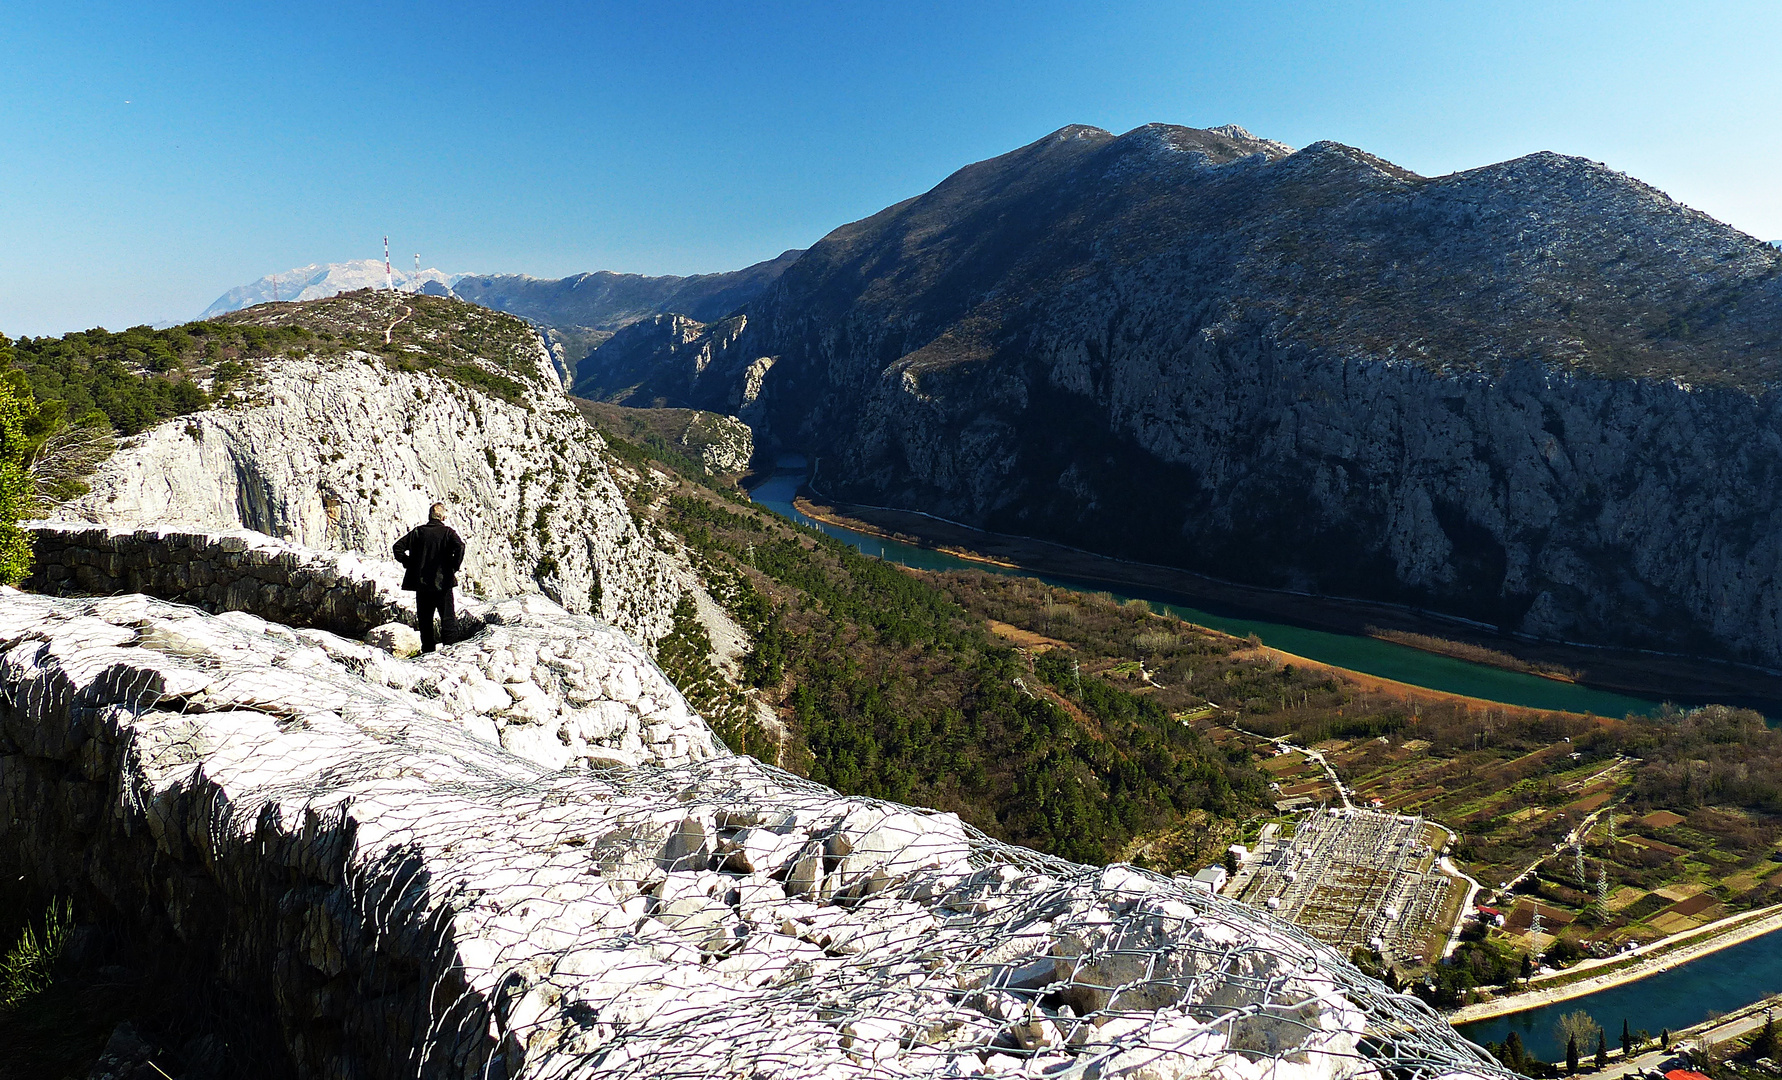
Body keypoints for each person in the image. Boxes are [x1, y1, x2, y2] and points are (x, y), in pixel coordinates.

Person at [393, 502, 465, 653]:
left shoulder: (418, 532)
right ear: (443, 517)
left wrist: (409, 563)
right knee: (447, 620)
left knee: (425, 622)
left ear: (429, 516)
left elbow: (397, 547)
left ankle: (428, 653)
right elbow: (460, 547)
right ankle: (450, 652)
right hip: (443, 584)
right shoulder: (447, 533)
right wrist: (453, 567)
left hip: (422, 585)